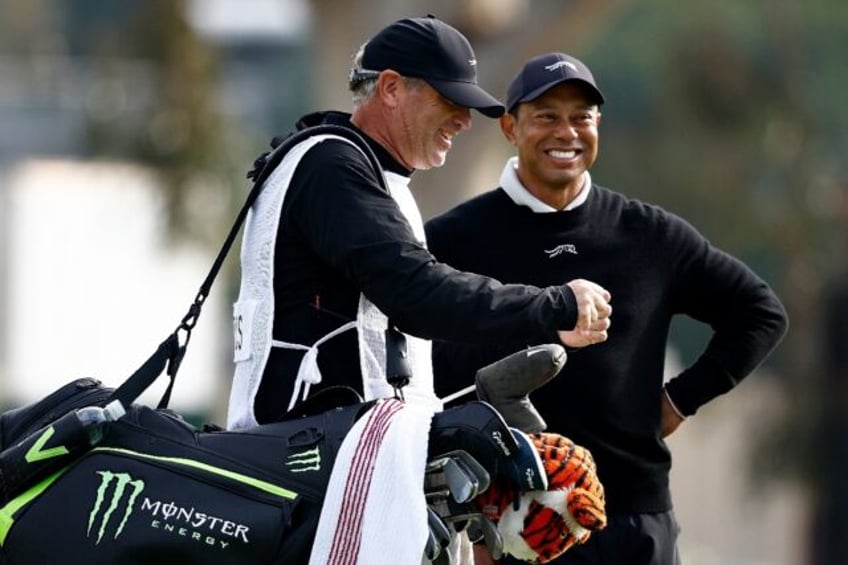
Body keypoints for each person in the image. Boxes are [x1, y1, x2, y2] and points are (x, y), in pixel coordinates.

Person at [425, 52, 789, 564]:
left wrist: (680, 400)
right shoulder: (452, 238)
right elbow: (415, 354)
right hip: (513, 523)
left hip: (634, 516)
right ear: (509, 127)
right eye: (546, 116)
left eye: (581, 117)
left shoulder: (650, 234)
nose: (566, 132)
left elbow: (760, 312)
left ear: (599, 125)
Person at [225, 20, 612, 431]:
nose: (464, 120)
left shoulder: (366, 171)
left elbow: (413, 335)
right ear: (391, 88)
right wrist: (553, 306)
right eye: (450, 100)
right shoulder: (332, 167)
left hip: (331, 446)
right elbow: (418, 294)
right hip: (302, 456)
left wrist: (538, 327)